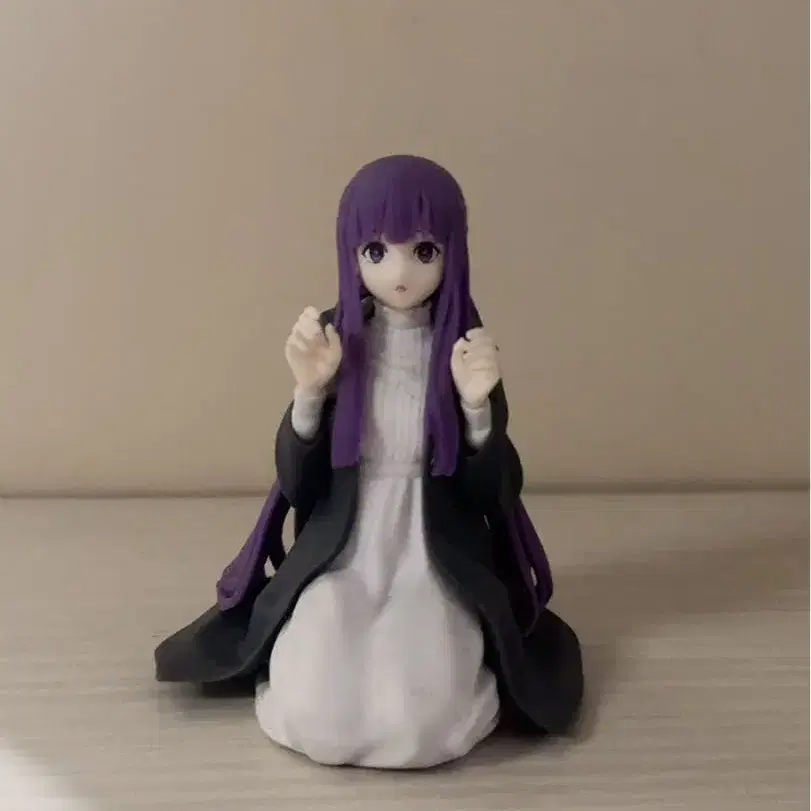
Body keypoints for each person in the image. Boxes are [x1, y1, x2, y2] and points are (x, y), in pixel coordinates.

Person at [154, 154, 584, 769]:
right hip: (344, 548)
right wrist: (309, 395)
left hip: (434, 554)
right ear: (351, 252)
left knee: (419, 719)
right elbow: (299, 485)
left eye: (424, 251)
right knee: (315, 702)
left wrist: (477, 413)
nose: (400, 272)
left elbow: (495, 494)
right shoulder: (337, 340)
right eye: (377, 251)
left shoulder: (464, 347)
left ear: (453, 253)